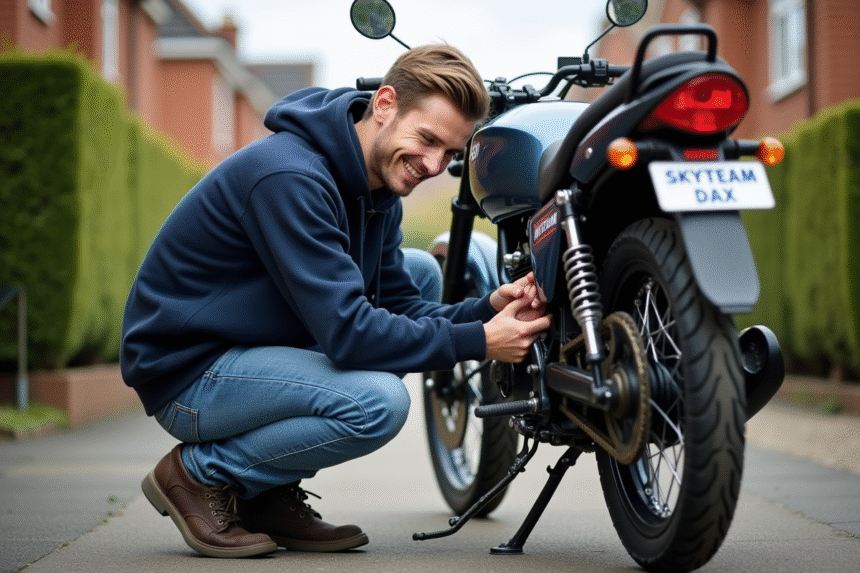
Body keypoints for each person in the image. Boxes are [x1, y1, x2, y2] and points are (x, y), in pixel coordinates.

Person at [121, 44, 550, 559]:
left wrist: (486, 310)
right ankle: (196, 476)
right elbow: (350, 336)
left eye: (451, 154)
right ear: (385, 104)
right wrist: (479, 340)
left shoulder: (378, 190)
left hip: (253, 345)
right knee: (376, 403)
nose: (434, 164)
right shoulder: (290, 177)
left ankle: (262, 495)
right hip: (190, 371)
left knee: (416, 272)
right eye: (428, 139)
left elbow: (401, 308)